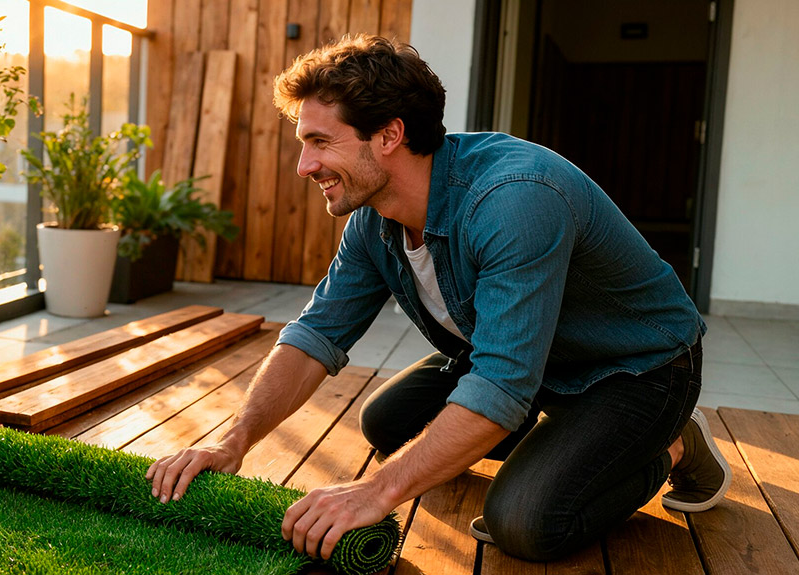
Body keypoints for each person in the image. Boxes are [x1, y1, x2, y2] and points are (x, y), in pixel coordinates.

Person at [146, 34, 729, 562]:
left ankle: (671, 445)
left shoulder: (514, 199)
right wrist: (232, 441)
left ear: (389, 135)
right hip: (533, 362)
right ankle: (571, 440)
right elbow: (316, 333)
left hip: (636, 369)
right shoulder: (373, 218)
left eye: (320, 142)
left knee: (524, 522)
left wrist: (376, 492)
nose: (304, 166)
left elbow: (501, 384)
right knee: (388, 425)